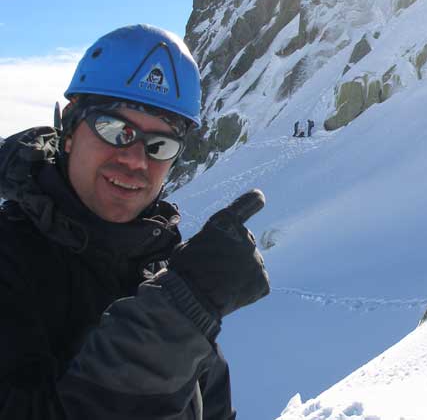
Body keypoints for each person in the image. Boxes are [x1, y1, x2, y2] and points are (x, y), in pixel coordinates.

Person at [0, 24, 270, 419]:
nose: (136, 160)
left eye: (160, 144)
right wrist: (175, 316)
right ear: (70, 127)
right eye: (115, 130)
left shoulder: (160, 270)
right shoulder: (9, 260)